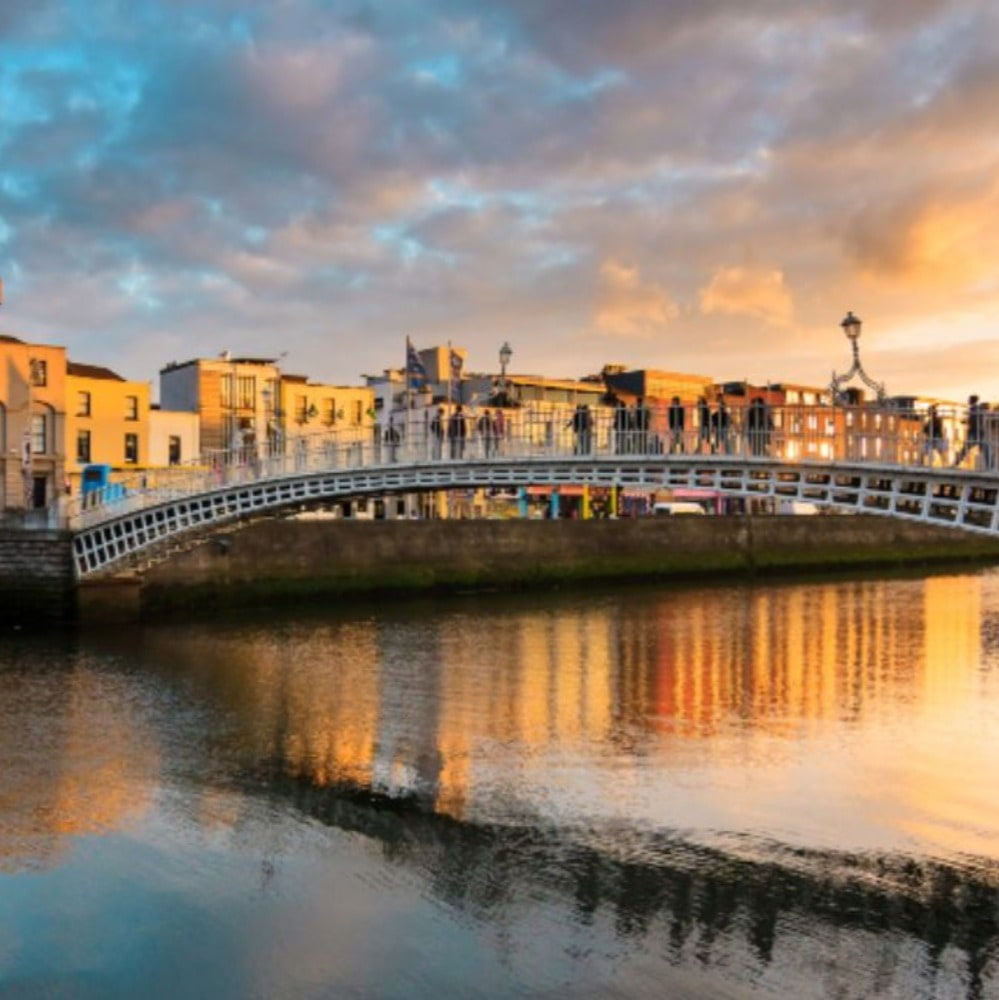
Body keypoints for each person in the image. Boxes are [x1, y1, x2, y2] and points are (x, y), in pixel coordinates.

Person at [954, 395, 990, 469]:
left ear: (972, 400)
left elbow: (973, 420)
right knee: (985, 449)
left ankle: (955, 463)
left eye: (969, 399)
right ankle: (990, 466)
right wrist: (966, 421)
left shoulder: (974, 409)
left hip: (974, 432)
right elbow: (975, 419)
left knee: (965, 449)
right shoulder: (977, 408)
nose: (968, 401)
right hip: (979, 432)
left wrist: (966, 422)